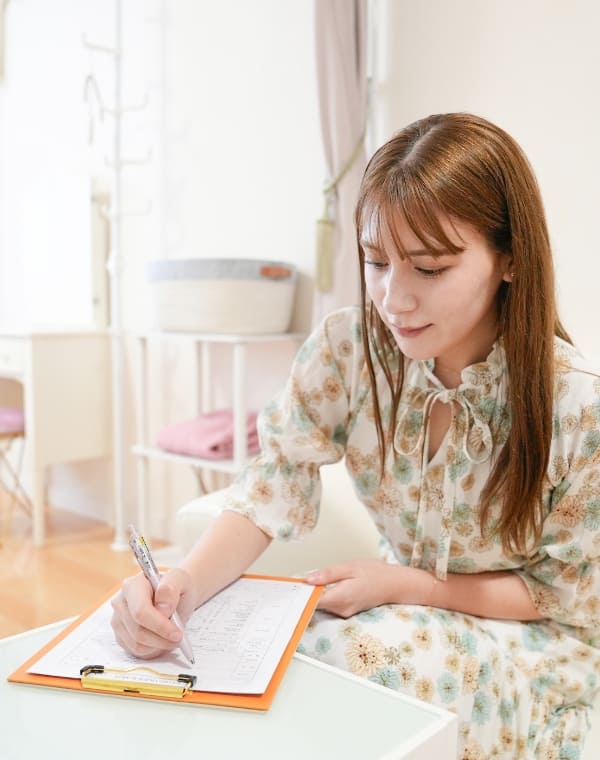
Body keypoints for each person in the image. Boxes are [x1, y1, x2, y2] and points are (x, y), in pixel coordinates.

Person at [111, 113, 600, 759]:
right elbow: (272, 486)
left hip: (538, 646)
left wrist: (409, 585)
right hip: (402, 619)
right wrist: (183, 588)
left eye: (429, 268)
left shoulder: (577, 406)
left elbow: (562, 595)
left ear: (509, 259)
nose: (394, 299)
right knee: (278, 663)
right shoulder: (350, 350)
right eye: (376, 262)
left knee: (356, 666)